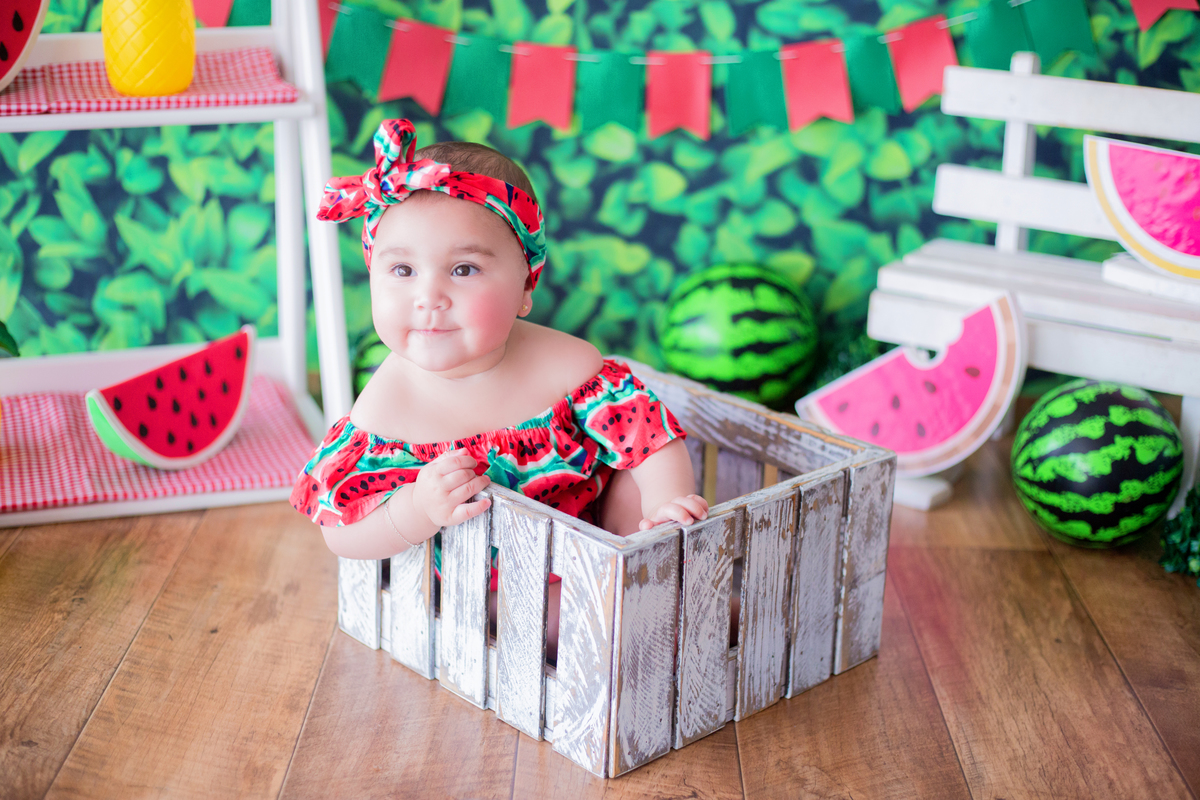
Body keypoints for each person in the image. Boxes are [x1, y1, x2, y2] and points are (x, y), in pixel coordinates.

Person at [291, 119, 707, 655]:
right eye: (402, 270)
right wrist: (415, 509)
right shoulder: (386, 409)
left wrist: (666, 505)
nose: (429, 296)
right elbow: (340, 531)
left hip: (597, 540)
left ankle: (657, 588)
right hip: (488, 585)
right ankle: (621, 632)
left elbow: (648, 436)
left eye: (463, 270)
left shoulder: (568, 365)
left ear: (526, 284)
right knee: (552, 619)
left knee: (633, 481)